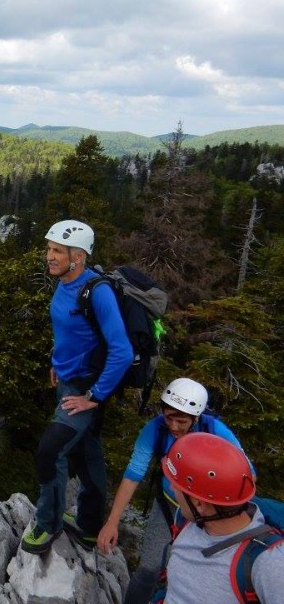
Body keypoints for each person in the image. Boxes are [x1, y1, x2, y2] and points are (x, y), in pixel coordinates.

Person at [20, 219, 134, 555]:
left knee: (50, 451)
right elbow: (71, 332)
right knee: (87, 452)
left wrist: (93, 397)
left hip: (84, 390)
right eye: (49, 249)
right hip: (70, 380)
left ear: (79, 256)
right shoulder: (65, 283)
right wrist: (57, 361)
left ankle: (48, 523)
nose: (49, 256)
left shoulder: (96, 292)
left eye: (57, 251)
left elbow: (122, 351)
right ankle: (88, 525)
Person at [98, 378, 251, 604]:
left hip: (209, 512)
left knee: (193, 573)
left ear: (196, 418)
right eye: (169, 417)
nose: (173, 426)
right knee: (149, 569)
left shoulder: (214, 430)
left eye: (181, 420)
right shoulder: (155, 430)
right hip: (170, 505)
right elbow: (133, 474)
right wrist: (112, 522)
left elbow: (246, 472)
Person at [159, 432, 284, 604]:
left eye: (178, 485)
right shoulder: (185, 520)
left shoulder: (268, 563)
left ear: (200, 504)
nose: (172, 488)